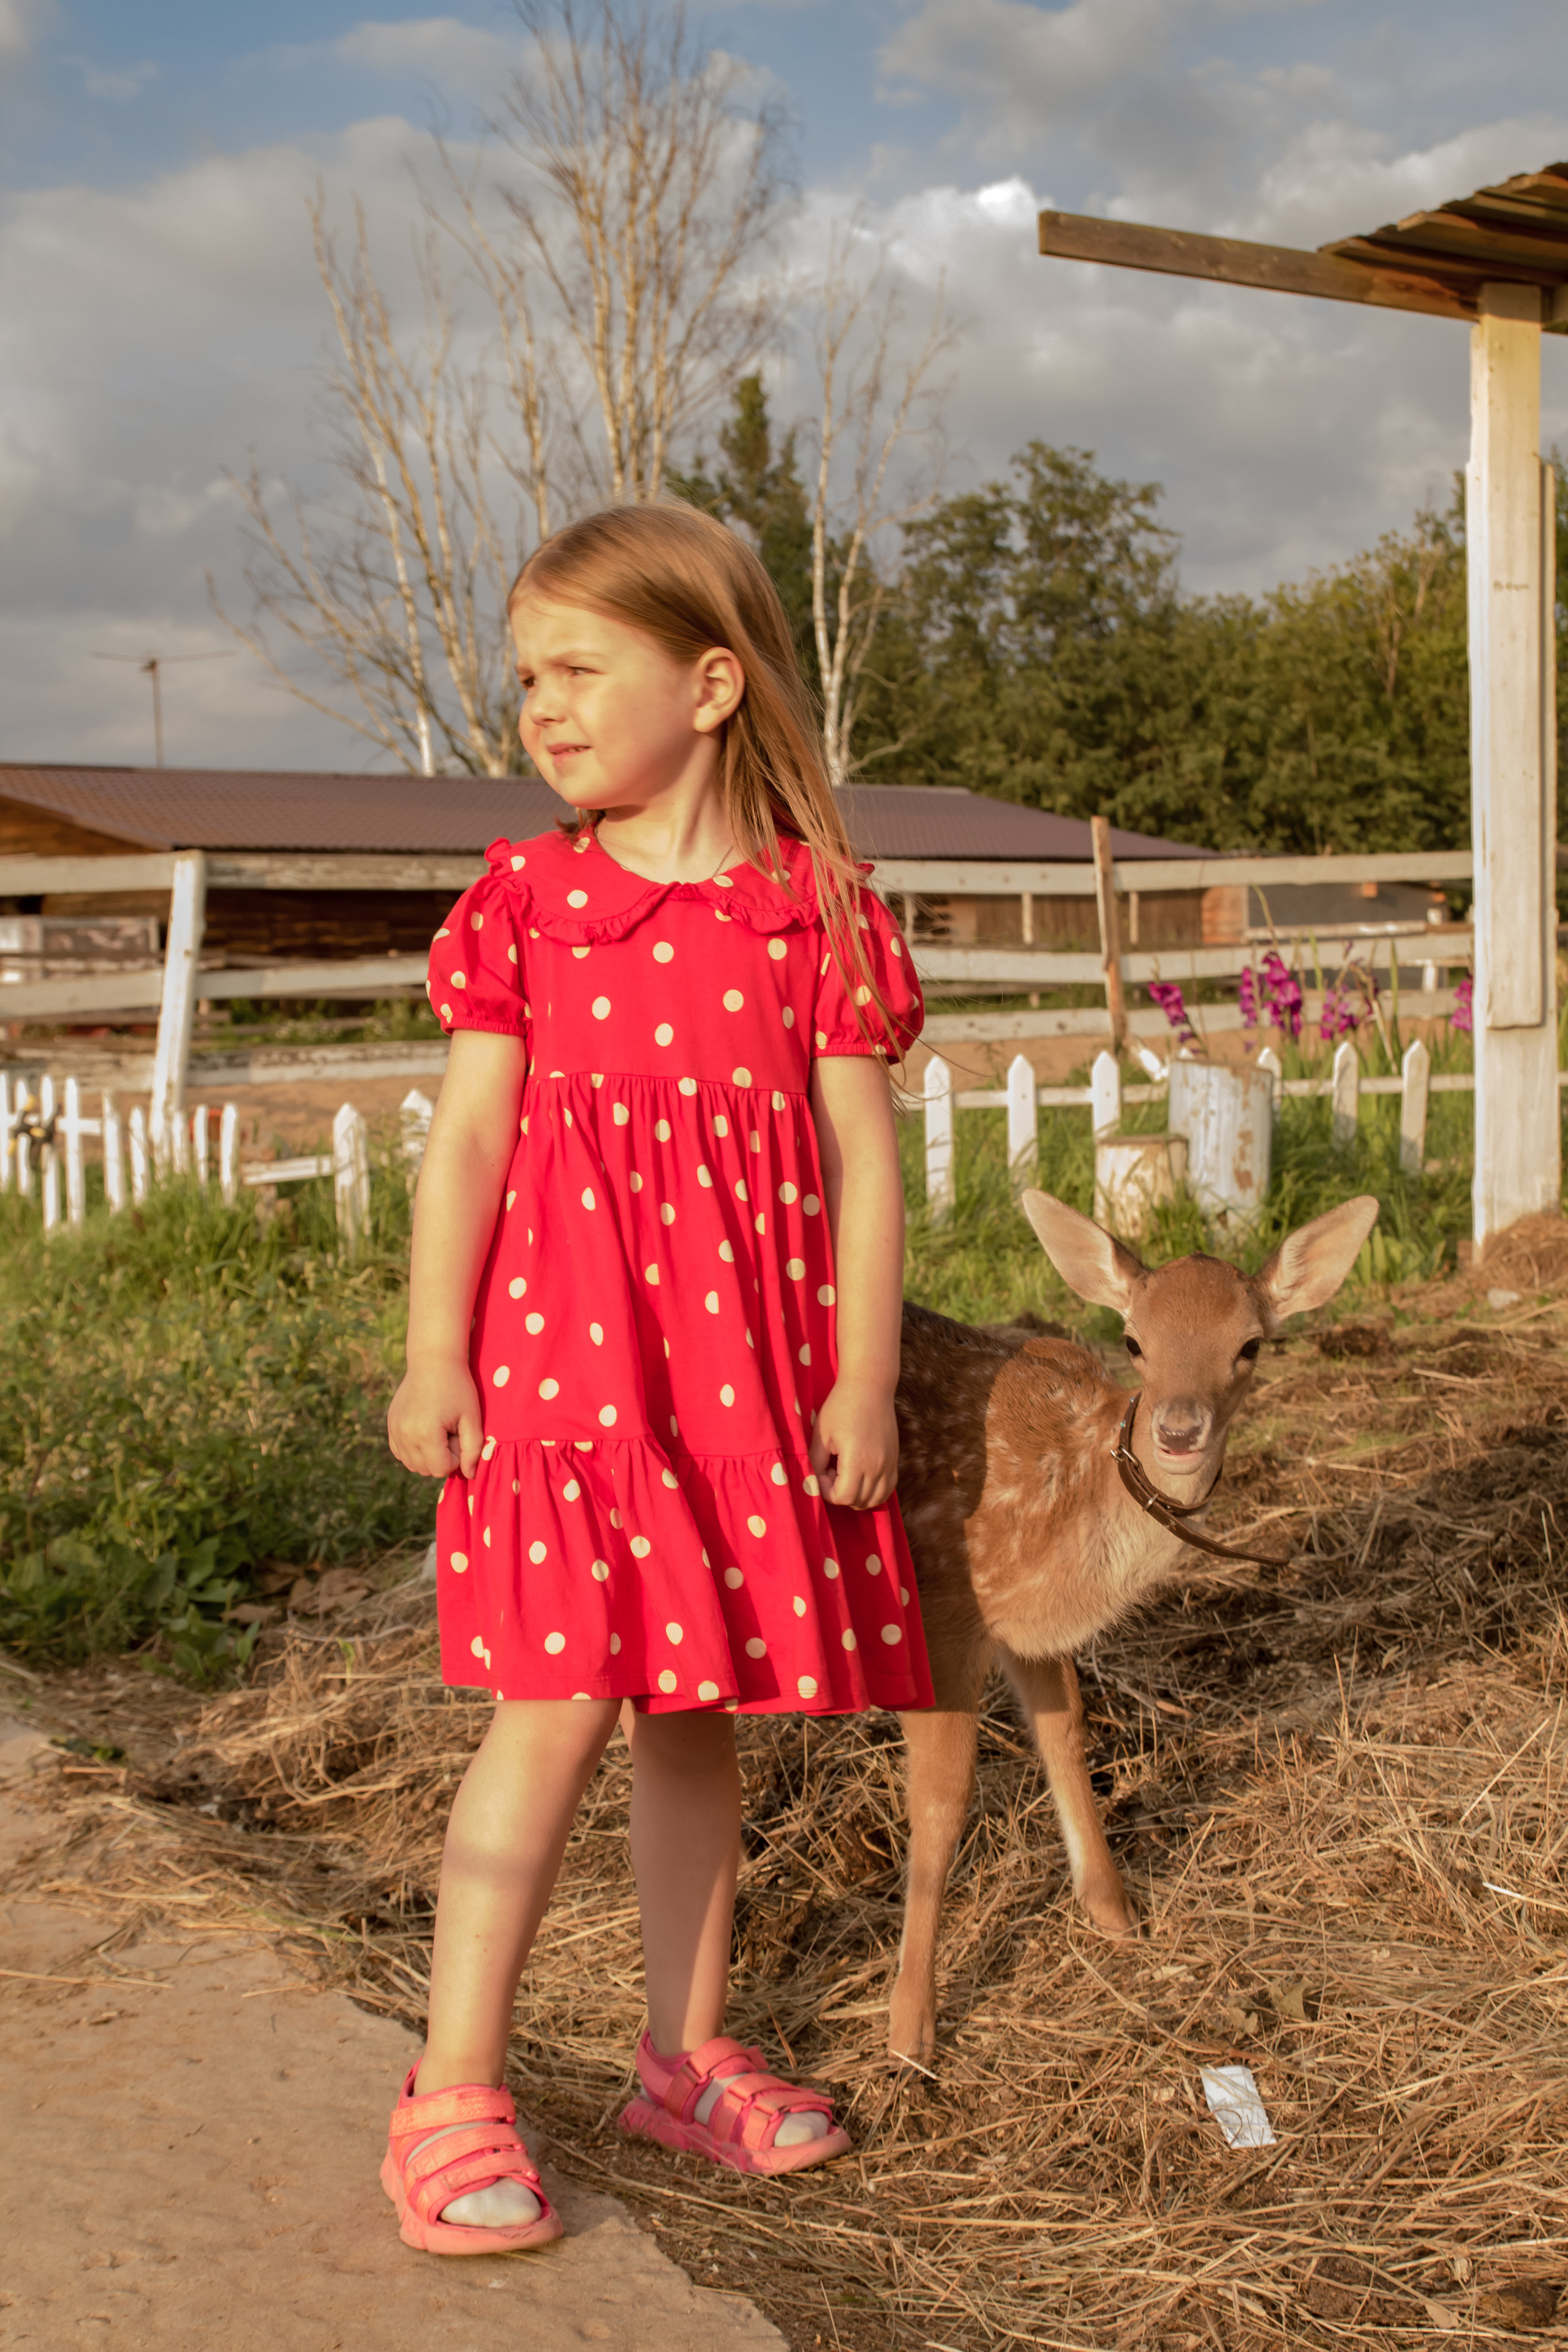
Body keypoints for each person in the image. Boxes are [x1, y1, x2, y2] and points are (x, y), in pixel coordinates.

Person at [381, 502, 932, 2256]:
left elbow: (865, 1166)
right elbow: (468, 1143)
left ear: (708, 683)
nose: (538, 705)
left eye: (574, 667)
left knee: (697, 1723)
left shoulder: (817, 916)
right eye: (525, 673)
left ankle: (681, 2059)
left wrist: (861, 1379)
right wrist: (429, 1352)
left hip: (734, 1395)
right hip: (561, 1380)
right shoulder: (532, 900)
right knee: (551, 1710)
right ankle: (451, 2087)